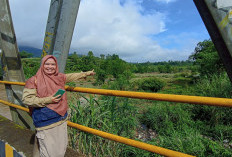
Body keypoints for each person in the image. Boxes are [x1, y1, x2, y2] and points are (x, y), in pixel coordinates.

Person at [22, 55, 95, 157]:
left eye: (53, 64)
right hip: (45, 122)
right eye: (47, 64)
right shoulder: (33, 80)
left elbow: (70, 76)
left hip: (61, 119)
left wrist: (86, 73)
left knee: (61, 150)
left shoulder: (59, 77)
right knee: (49, 153)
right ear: (42, 65)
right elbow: (27, 99)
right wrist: (49, 99)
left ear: (56, 66)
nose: (50, 67)